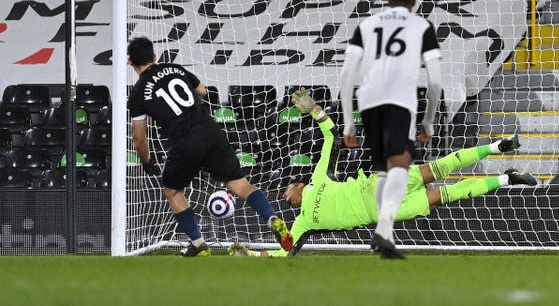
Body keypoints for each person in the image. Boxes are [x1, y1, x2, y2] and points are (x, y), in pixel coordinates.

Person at [227, 89, 536, 258]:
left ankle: (497, 147)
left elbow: (332, 136)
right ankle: (508, 178)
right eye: (284, 194)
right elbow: (287, 250)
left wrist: (315, 111)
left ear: (299, 183)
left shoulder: (319, 176)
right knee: (446, 194)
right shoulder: (303, 223)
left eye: (286, 189)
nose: (284, 194)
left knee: (441, 167)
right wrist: (253, 256)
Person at [126, 36, 293, 257]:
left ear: (130, 62)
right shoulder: (175, 68)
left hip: (184, 142)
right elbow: (203, 91)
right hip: (211, 132)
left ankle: (198, 243)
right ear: (154, 56)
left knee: (172, 191)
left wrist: (147, 162)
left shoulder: (138, 92)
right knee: (241, 186)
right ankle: (272, 218)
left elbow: (139, 137)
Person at [339, 0, 443, 258]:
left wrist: (349, 120)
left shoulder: (367, 24)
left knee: (385, 168)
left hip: (368, 99)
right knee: (401, 163)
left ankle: (383, 234)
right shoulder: (422, 25)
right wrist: (429, 119)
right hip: (399, 99)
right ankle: (384, 230)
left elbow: (347, 74)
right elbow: (434, 80)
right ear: (413, 1)